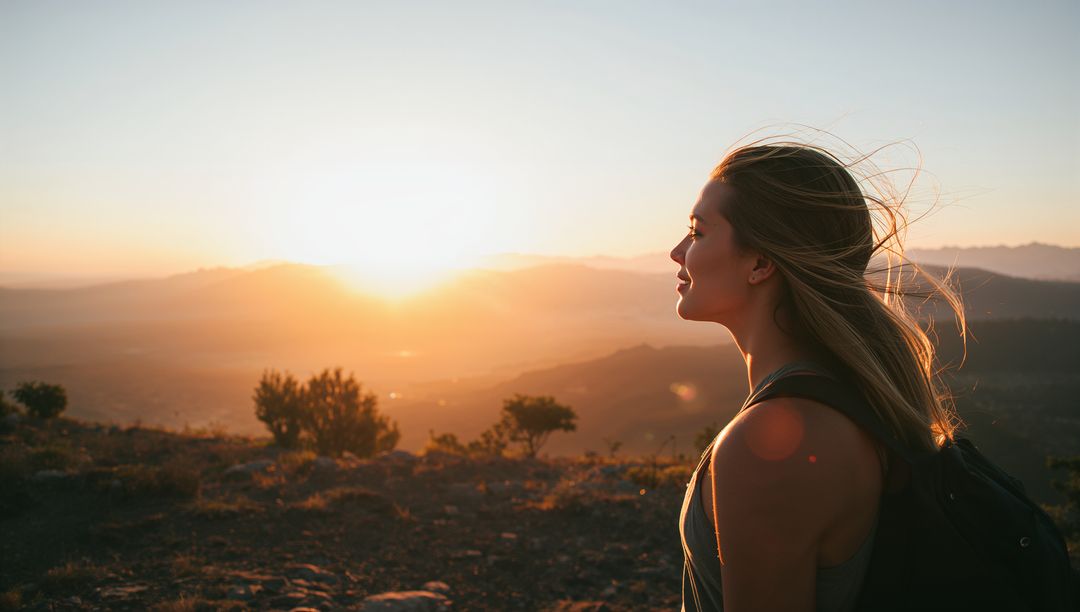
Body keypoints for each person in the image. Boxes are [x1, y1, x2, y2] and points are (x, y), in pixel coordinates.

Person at [669, 139, 963, 611]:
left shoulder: (773, 445)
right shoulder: (840, 394)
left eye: (698, 233)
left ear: (761, 263)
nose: (677, 251)